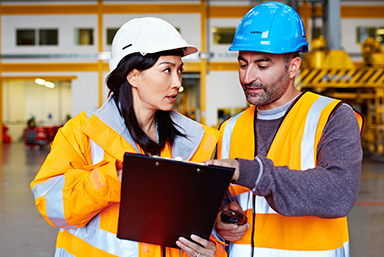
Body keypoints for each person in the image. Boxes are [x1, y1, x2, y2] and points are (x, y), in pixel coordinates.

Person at [31, 17, 226, 257]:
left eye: (179, 70)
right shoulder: (82, 132)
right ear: (132, 76)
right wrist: (114, 179)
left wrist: (213, 250)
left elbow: (212, 227)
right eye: (167, 70)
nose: (177, 82)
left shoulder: (198, 142)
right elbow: (51, 206)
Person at [206, 2, 365, 257]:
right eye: (243, 64)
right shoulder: (229, 128)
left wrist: (251, 172)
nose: (247, 78)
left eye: (262, 65)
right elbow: (226, 199)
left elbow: (339, 191)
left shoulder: (332, 116)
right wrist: (222, 217)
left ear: (293, 67)